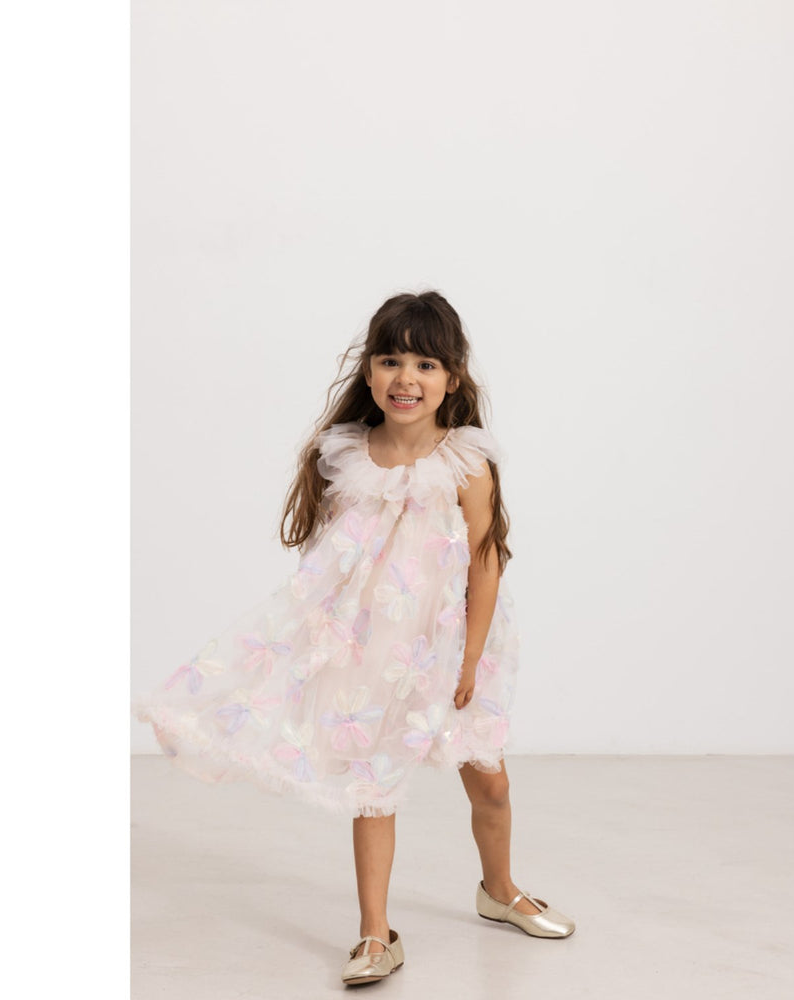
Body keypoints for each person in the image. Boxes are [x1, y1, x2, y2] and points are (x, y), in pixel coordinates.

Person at [132, 290, 575, 987]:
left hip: (456, 643)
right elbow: (339, 562)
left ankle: (499, 889)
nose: (406, 378)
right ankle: (375, 933)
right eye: (390, 360)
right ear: (368, 371)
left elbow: (485, 561)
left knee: (489, 783)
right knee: (373, 786)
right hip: (378, 648)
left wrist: (469, 658)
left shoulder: (467, 463)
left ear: (452, 378)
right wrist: (321, 641)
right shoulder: (346, 456)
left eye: (426, 364)